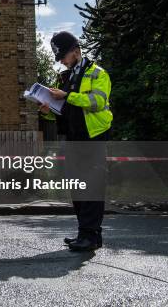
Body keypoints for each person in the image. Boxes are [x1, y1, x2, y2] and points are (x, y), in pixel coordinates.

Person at [39, 31, 113, 251]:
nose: (61, 61)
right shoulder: (64, 77)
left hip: (93, 137)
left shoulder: (98, 73)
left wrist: (67, 96)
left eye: (63, 56)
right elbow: (63, 110)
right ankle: (87, 235)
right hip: (73, 138)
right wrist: (47, 110)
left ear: (76, 51)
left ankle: (90, 237)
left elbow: (97, 101)